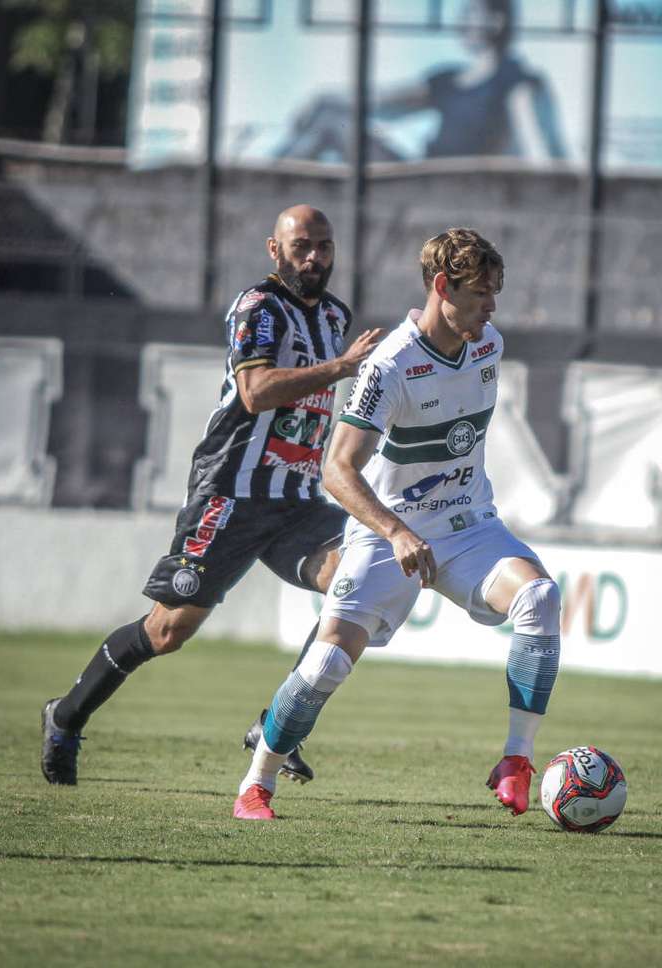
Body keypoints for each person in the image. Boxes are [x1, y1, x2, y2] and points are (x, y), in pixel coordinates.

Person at [40, 204, 384, 787]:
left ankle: (277, 723)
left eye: (324, 246)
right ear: (274, 250)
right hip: (231, 493)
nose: (315, 257)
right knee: (167, 631)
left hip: (297, 499)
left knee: (360, 582)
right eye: (302, 246)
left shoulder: (334, 315)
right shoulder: (258, 308)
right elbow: (254, 392)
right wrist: (340, 368)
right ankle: (66, 716)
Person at [234, 227, 561, 821]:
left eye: (496, 294)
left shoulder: (489, 345)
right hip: (390, 531)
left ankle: (517, 759)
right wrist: (396, 532)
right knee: (328, 662)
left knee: (539, 597)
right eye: (482, 294)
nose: (492, 307)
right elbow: (337, 469)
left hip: (467, 525)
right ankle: (256, 784)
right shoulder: (390, 366)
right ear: (443, 287)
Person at [275, 0, 566, 163]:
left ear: (497, 21)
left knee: (328, 123)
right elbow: (383, 101)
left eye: (470, 13)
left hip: (455, 189)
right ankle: (267, 177)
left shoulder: (516, 82)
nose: (462, 22)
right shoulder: (448, 80)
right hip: (421, 173)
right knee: (329, 118)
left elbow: (539, 149)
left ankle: (264, 184)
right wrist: (323, 98)